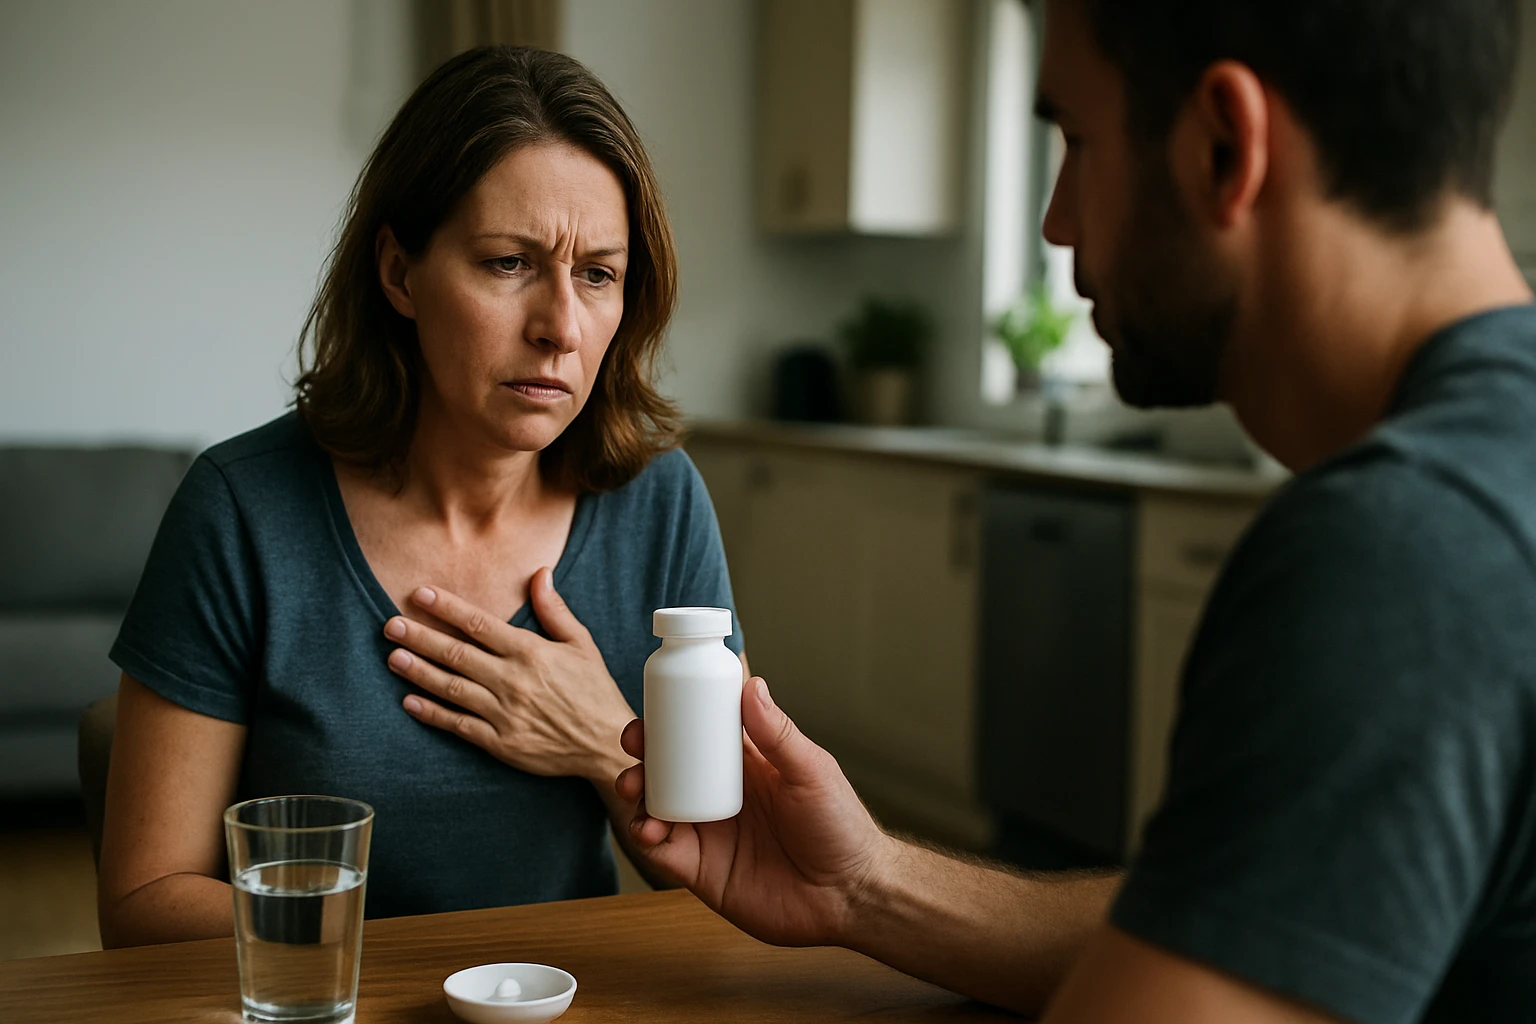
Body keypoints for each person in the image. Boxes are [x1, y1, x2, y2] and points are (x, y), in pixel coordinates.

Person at [615, 1, 1536, 1021]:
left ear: (1225, 146)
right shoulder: (1491, 486)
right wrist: (864, 882)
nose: (1054, 219)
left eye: (1076, 140)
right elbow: (1241, 908)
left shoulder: (1404, 552)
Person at [96, 46, 744, 949]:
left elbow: (731, 866)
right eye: (510, 262)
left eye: (597, 274)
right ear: (400, 273)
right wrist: (437, 974)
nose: (560, 326)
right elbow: (145, 901)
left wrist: (605, 740)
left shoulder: (661, 501)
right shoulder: (238, 510)